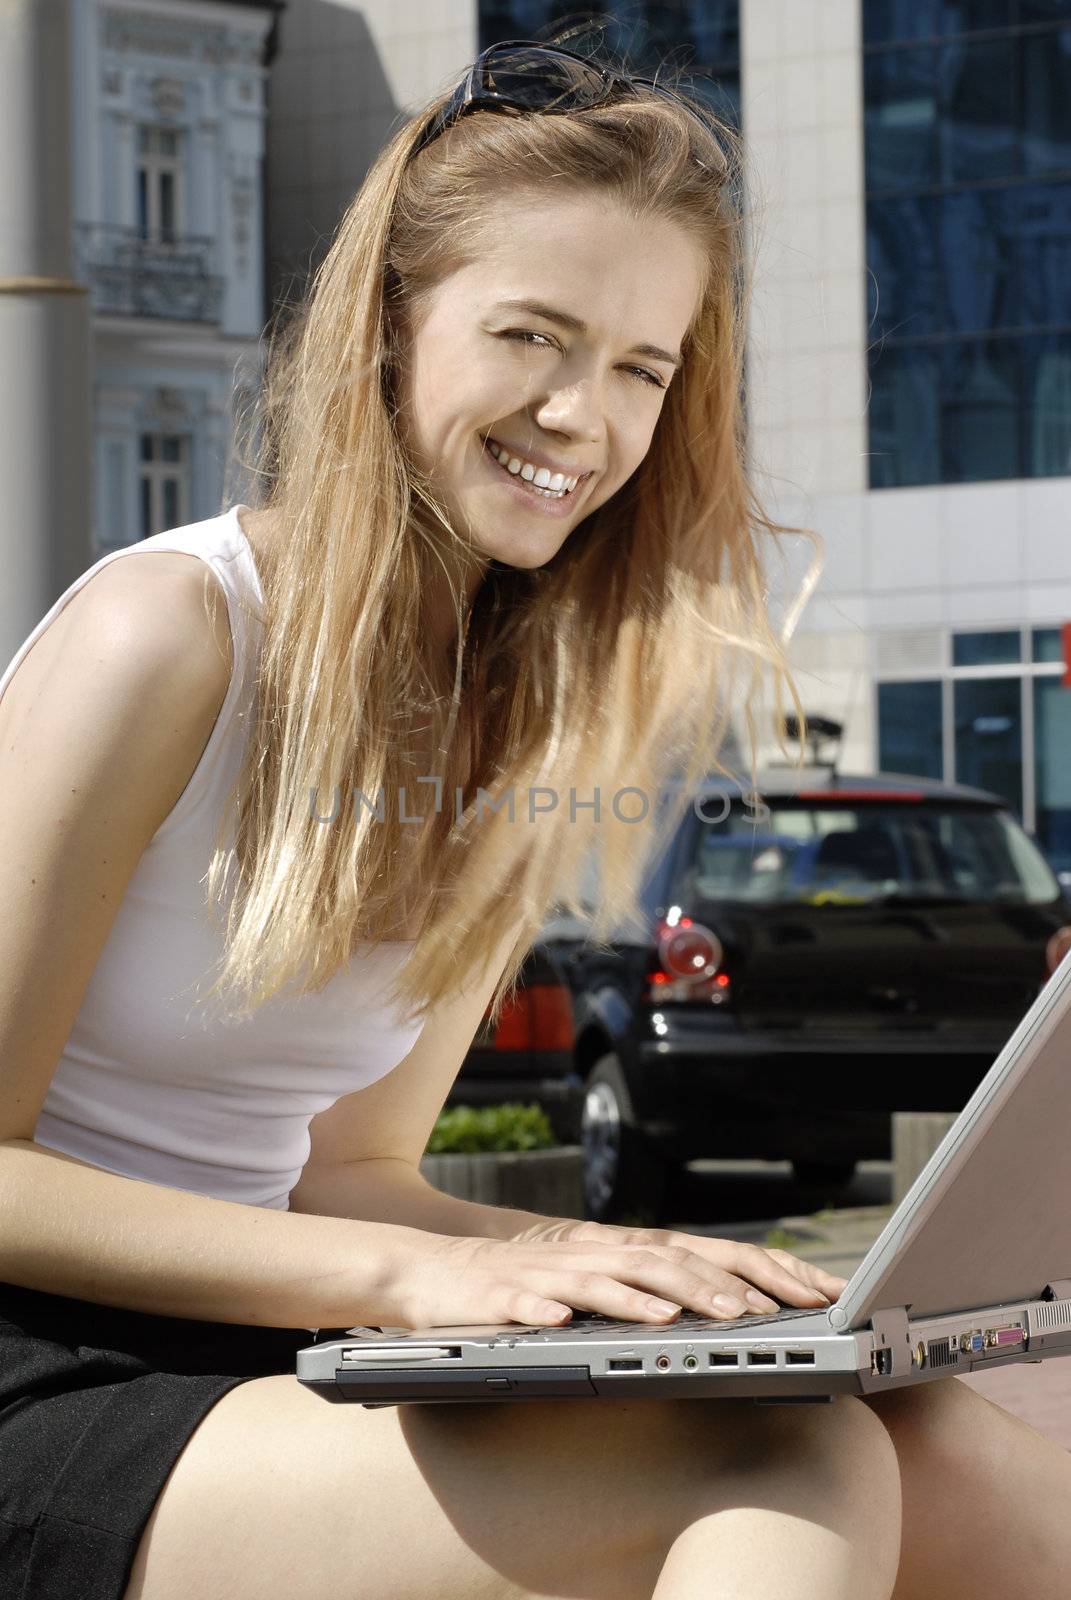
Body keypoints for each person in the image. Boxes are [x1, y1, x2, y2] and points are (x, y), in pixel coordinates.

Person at [1, 35, 1068, 1600]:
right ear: (388, 328)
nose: (584, 415)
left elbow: (350, 1167)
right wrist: (413, 1271)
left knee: (941, 1446)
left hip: (275, 1342)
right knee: (778, 1459)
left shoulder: (534, 707)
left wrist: (590, 1264)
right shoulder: (168, 631)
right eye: (534, 337)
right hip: (46, 1373)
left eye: (644, 367)